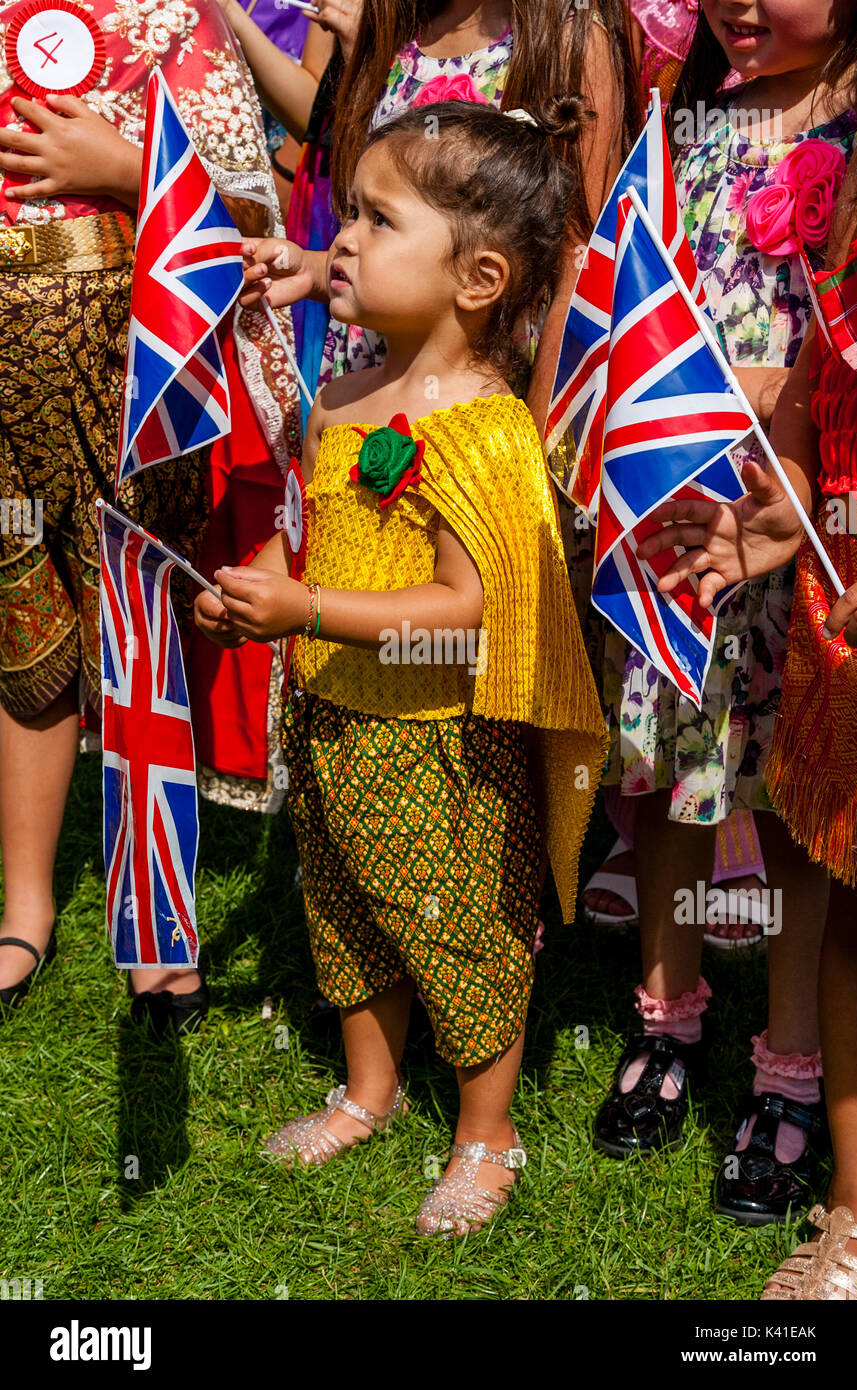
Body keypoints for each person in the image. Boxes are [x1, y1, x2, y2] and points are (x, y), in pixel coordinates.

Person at [194, 99, 608, 1236]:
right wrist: (259, 600)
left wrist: (309, 607)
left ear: (476, 277)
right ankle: (367, 1090)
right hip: (328, 717)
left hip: (439, 740)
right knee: (344, 912)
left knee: (459, 928)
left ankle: (487, 1131)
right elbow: (313, 530)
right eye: (350, 213)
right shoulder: (340, 394)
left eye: (376, 220)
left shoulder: (481, 427)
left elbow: (471, 613)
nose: (342, 238)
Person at [590, 0, 857, 1227]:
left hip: (802, 504)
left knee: (795, 792)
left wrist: (779, 439)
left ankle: (792, 1058)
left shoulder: (856, 127)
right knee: (668, 758)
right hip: (678, 500)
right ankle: (666, 1008)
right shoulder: (680, 119)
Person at [0, 0, 296, 1028]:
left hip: (137, 386)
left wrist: (126, 170)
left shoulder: (179, 21)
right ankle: (26, 905)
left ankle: (157, 925)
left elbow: (256, 215)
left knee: (136, 632)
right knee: (19, 634)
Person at [240, 0, 640, 421]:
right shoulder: (393, 23)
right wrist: (315, 269)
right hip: (364, 396)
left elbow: (578, 269)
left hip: (480, 416)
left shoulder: (568, 41)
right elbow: (396, 241)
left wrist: (537, 440)